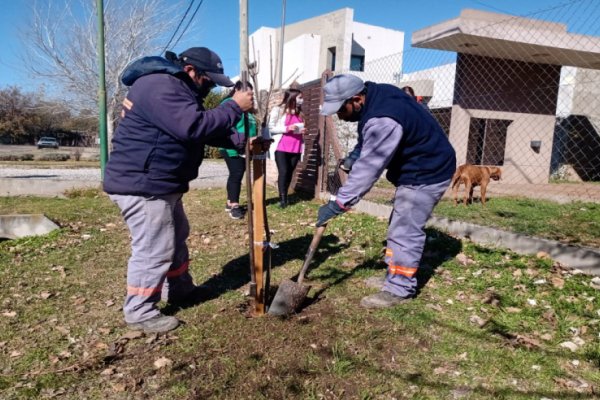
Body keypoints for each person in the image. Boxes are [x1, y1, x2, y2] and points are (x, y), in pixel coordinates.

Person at [103, 47, 254, 333]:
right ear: (190, 71)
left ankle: (181, 289)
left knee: (175, 236)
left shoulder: (175, 89)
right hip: (143, 184)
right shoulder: (161, 85)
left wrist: (241, 140)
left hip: (159, 183)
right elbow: (192, 127)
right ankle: (139, 311)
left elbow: (199, 127)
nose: (210, 86)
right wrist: (234, 106)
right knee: (154, 248)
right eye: (209, 80)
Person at [316, 74, 456, 309]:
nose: (339, 115)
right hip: (421, 164)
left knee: (404, 229)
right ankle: (394, 275)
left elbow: (369, 170)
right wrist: (354, 156)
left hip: (427, 170)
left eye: (341, 109)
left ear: (357, 99)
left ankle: (399, 289)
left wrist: (339, 204)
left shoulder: (383, 118)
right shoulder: (377, 95)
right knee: (399, 224)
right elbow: (366, 138)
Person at [218, 81, 257, 220]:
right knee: (236, 173)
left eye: (252, 94)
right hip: (233, 147)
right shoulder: (229, 104)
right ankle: (234, 205)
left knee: (238, 174)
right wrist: (241, 142)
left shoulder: (248, 109)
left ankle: (230, 202)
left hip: (247, 147)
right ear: (237, 90)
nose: (250, 96)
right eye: (248, 93)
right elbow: (225, 125)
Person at [268, 88, 306, 208]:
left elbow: (298, 128)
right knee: (283, 172)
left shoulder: (300, 112)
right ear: (292, 98)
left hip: (296, 146)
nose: (302, 100)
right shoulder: (279, 110)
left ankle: (286, 196)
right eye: (299, 97)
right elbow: (270, 128)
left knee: (289, 173)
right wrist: (286, 129)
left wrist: (302, 130)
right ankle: (283, 200)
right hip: (282, 146)